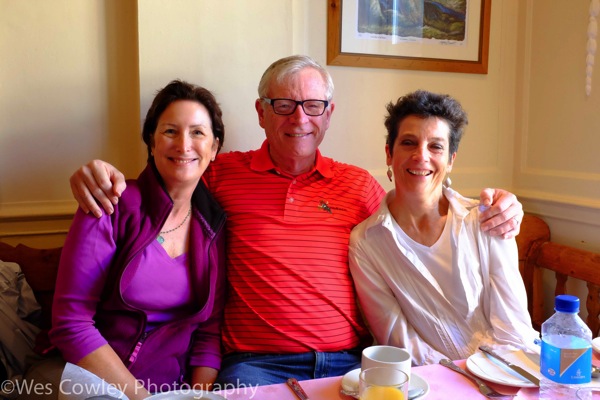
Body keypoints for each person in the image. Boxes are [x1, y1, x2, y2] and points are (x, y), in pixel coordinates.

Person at [68, 55, 524, 386]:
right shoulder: (220, 175)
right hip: (253, 364)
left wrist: (502, 206)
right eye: (283, 105)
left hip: (350, 362)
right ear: (261, 113)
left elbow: (419, 211)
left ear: (329, 115)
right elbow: (169, 179)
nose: (299, 118)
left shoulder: (360, 187)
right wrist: (97, 177)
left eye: (312, 105)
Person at [47, 80, 226, 399]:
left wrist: (199, 396)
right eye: (171, 131)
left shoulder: (213, 223)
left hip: (177, 388)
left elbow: (208, 332)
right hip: (99, 384)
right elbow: (71, 324)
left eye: (198, 132)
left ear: (214, 148)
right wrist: (142, 398)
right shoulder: (109, 204)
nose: (184, 145)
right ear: (152, 142)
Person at [348, 90, 539, 367]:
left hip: (508, 373)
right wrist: (460, 378)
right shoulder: (367, 242)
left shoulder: (487, 220)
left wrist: (492, 378)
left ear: (450, 160)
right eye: (409, 143)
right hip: (432, 382)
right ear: (389, 153)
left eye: (435, 146)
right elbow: (397, 340)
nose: (420, 156)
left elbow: (514, 327)